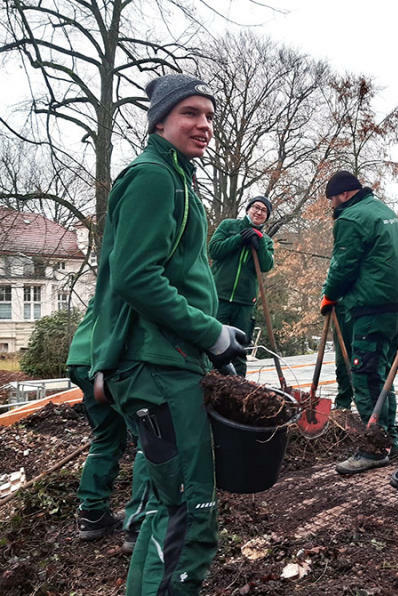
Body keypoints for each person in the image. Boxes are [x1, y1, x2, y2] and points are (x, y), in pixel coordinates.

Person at [90, 73, 247, 595]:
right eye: (191, 114)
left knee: (167, 509)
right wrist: (212, 333)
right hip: (157, 367)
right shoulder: (154, 176)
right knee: (188, 514)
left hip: (171, 359)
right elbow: (136, 277)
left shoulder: (178, 178)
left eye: (208, 116)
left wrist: (211, 339)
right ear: (160, 120)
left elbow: (169, 276)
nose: (204, 125)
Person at [319, 170, 398, 474]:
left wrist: (330, 295)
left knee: (364, 375)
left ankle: (373, 449)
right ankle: (390, 440)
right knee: (382, 375)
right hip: (395, 306)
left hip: (371, 305)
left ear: (343, 194)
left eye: (333, 199)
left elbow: (343, 264)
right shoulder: (384, 211)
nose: (333, 205)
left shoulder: (351, 218)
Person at [67, 299, 148, 553]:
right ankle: (139, 525)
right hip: (111, 359)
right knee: (149, 439)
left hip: (82, 359)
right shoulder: (141, 269)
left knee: (106, 437)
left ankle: (92, 513)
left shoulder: (112, 272)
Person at [208, 195, 275, 376]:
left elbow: (266, 265)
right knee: (212, 345)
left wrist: (258, 242)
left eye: (264, 211)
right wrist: (239, 239)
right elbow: (214, 250)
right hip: (219, 296)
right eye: (256, 208)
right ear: (248, 209)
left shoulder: (266, 241)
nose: (259, 212)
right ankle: (208, 386)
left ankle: (239, 390)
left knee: (239, 350)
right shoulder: (229, 226)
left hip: (244, 302)